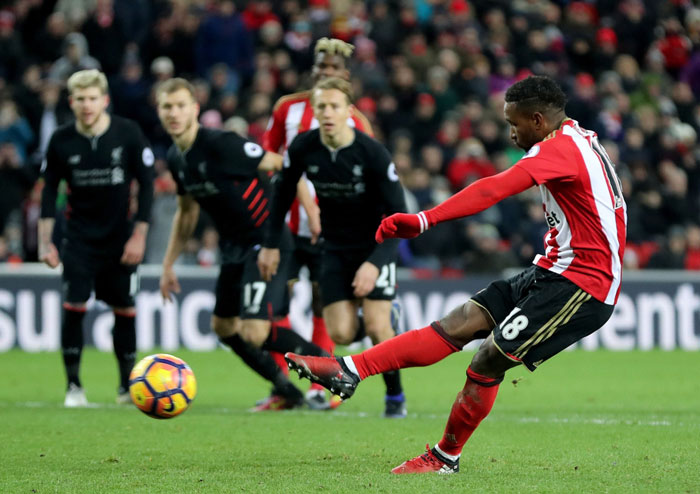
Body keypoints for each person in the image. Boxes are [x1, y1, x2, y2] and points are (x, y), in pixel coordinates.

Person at [284, 75, 627, 472]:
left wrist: (424, 219)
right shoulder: (577, 138)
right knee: (461, 321)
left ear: (537, 120)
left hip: (584, 284)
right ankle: (349, 370)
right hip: (554, 268)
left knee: (487, 360)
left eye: (514, 123)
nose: (511, 132)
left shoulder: (561, 149)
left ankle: (445, 457)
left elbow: (493, 189)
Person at [155, 78, 328, 411]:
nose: (173, 113)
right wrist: (167, 265)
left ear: (195, 109)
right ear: (160, 112)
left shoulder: (222, 144)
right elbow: (187, 213)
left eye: (180, 106)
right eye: (167, 107)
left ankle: (327, 364)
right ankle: (285, 391)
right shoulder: (178, 160)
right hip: (234, 247)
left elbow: (282, 165)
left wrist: (311, 211)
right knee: (224, 327)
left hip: (267, 242)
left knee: (254, 330)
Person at [258, 77, 409, 418]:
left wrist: (375, 264)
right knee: (340, 332)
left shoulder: (371, 152)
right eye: (321, 106)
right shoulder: (303, 147)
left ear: (348, 111)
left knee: (377, 327)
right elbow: (281, 195)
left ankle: (395, 396)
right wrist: (270, 245)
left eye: (334, 106)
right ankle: (379, 323)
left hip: (375, 246)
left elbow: (400, 218)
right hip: (335, 248)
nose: (327, 113)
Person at [260, 37, 375, 410]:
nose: (325, 74)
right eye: (320, 68)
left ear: (346, 77)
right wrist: (302, 203)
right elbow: (268, 157)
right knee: (270, 312)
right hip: (288, 229)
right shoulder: (286, 109)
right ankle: (285, 388)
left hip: (333, 235)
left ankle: (322, 387)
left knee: (325, 310)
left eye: (333, 70)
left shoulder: (357, 121)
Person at [38, 69, 155, 407]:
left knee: (125, 309)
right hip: (78, 241)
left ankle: (126, 388)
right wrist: (47, 242)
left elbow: (147, 185)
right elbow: (49, 192)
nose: (87, 105)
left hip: (120, 240)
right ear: (72, 102)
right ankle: (74, 387)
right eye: (80, 99)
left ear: (104, 100)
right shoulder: (61, 140)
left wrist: (139, 236)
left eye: (93, 98)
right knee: (74, 308)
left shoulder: (128, 133)